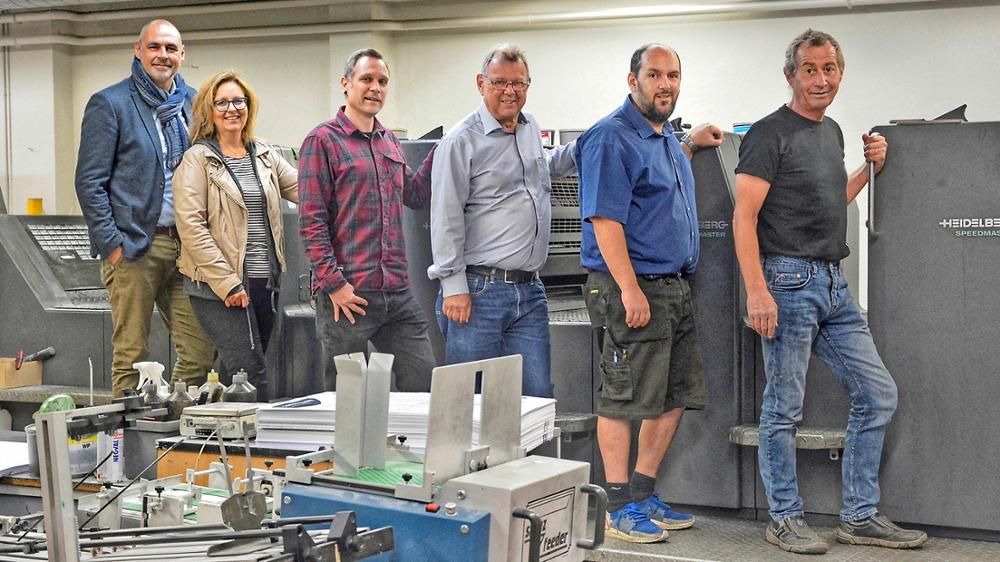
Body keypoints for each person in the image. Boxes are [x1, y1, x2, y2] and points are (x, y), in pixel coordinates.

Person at [732, 29, 928, 554]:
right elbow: (743, 218)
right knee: (783, 409)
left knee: (878, 393)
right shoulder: (768, 134)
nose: (821, 79)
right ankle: (784, 518)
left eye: (830, 69)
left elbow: (829, 199)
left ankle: (858, 517)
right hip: (786, 281)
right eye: (810, 70)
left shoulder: (832, 131)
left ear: (840, 72)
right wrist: (757, 292)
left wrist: (869, 168)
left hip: (832, 283)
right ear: (790, 75)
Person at [577, 44, 723, 543]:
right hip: (631, 288)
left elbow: (656, 186)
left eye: (673, 75)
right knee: (622, 398)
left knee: (674, 396)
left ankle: (641, 494)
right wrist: (629, 288)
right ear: (632, 80)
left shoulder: (663, 140)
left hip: (673, 288)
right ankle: (617, 506)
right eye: (655, 75)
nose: (666, 84)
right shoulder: (610, 138)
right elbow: (605, 221)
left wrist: (691, 144)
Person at [75, 19, 214, 397]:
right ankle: (128, 433)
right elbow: (89, 182)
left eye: (170, 48)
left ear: (182, 54)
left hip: (189, 248)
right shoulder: (111, 103)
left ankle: (177, 424)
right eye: (154, 47)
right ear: (139, 50)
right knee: (132, 357)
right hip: (136, 247)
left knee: (200, 354)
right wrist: (113, 246)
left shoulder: (195, 103)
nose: (162, 55)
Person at [428, 44, 576, 398]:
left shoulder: (528, 128)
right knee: (469, 400)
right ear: (481, 83)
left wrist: (592, 144)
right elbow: (445, 216)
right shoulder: (460, 141)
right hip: (479, 292)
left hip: (530, 292)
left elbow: (545, 166)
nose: (510, 91)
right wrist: (454, 286)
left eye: (518, 83)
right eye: (499, 82)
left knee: (536, 397)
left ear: (528, 84)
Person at [298, 48, 436, 392]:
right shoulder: (322, 140)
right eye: (367, 79)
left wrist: (443, 151)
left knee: (423, 379)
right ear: (346, 83)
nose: (376, 88)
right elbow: (311, 223)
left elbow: (415, 194)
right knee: (349, 395)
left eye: (383, 81)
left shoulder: (389, 141)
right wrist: (335, 285)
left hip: (396, 292)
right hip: (347, 294)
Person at [173, 70, 299, 398]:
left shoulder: (264, 155)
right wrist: (228, 283)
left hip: (264, 282)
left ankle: (214, 429)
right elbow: (191, 227)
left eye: (239, 101)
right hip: (219, 286)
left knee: (234, 375)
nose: (232, 109)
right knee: (252, 375)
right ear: (208, 110)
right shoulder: (197, 160)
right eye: (223, 102)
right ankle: (259, 432)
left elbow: (306, 189)